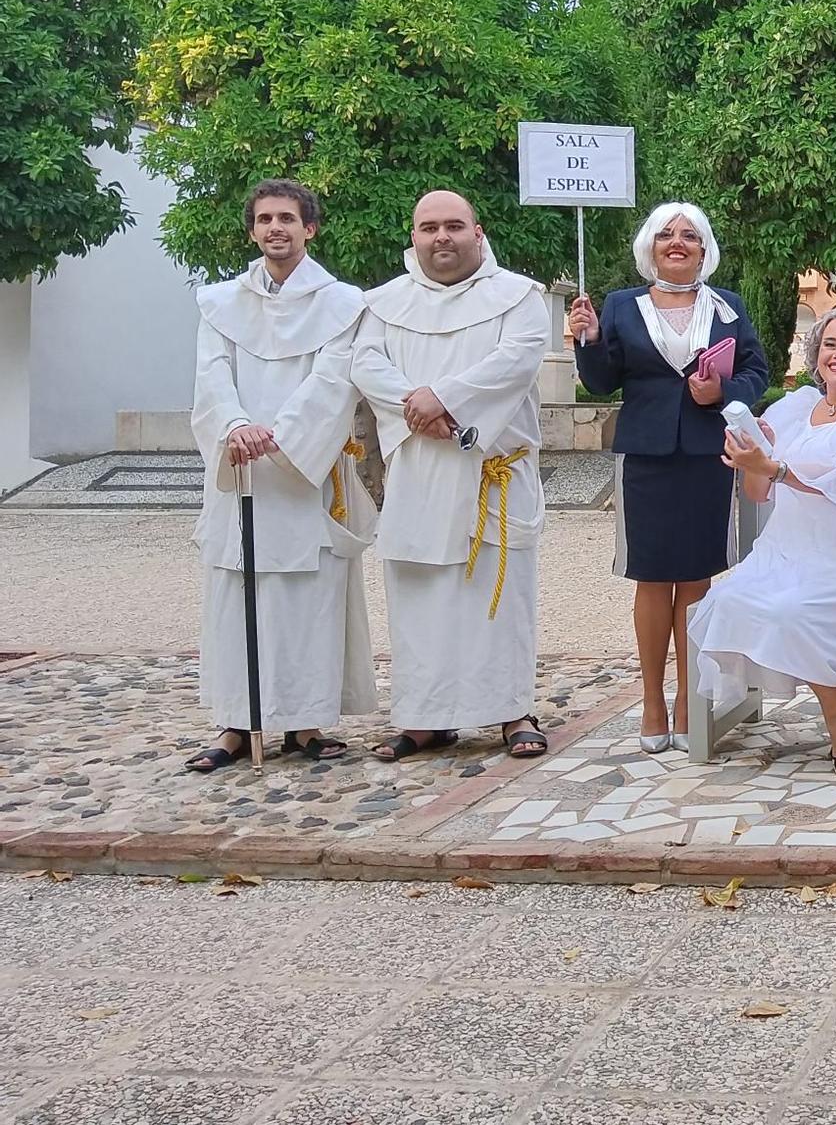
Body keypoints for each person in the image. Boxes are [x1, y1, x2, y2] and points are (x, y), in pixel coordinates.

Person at [351, 190, 551, 762]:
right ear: (412, 236)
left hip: (491, 469)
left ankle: (513, 710)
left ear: (478, 231)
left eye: (454, 226)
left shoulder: (518, 297)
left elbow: (517, 359)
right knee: (422, 597)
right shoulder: (383, 303)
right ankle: (424, 719)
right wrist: (416, 405)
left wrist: (445, 399)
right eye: (429, 227)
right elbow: (365, 362)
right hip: (419, 468)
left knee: (498, 596)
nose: (442, 237)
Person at [185, 181, 376, 771]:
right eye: (265, 219)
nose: (276, 228)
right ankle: (236, 726)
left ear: (309, 229)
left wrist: (284, 435)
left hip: (305, 474)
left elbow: (333, 379)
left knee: (306, 599)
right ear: (252, 230)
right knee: (234, 597)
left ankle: (306, 723)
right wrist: (237, 425)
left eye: (287, 219)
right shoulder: (220, 302)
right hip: (239, 470)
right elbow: (211, 374)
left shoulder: (342, 303)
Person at [570, 203, 769, 754]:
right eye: (665, 236)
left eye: (689, 235)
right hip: (646, 457)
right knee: (653, 578)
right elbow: (602, 381)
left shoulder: (726, 306)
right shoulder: (619, 305)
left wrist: (724, 395)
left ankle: (690, 699)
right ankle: (653, 699)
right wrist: (587, 341)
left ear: (705, 249)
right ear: (649, 248)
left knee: (697, 579)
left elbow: (756, 370)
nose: (676, 243)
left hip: (708, 455)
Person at [689, 304, 836, 775]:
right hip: (785, 549)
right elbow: (758, 491)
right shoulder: (792, 408)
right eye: (830, 344)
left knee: (788, 612)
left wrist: (772, 465)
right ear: (816, 356)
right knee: (729, 600)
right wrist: (753, 461)